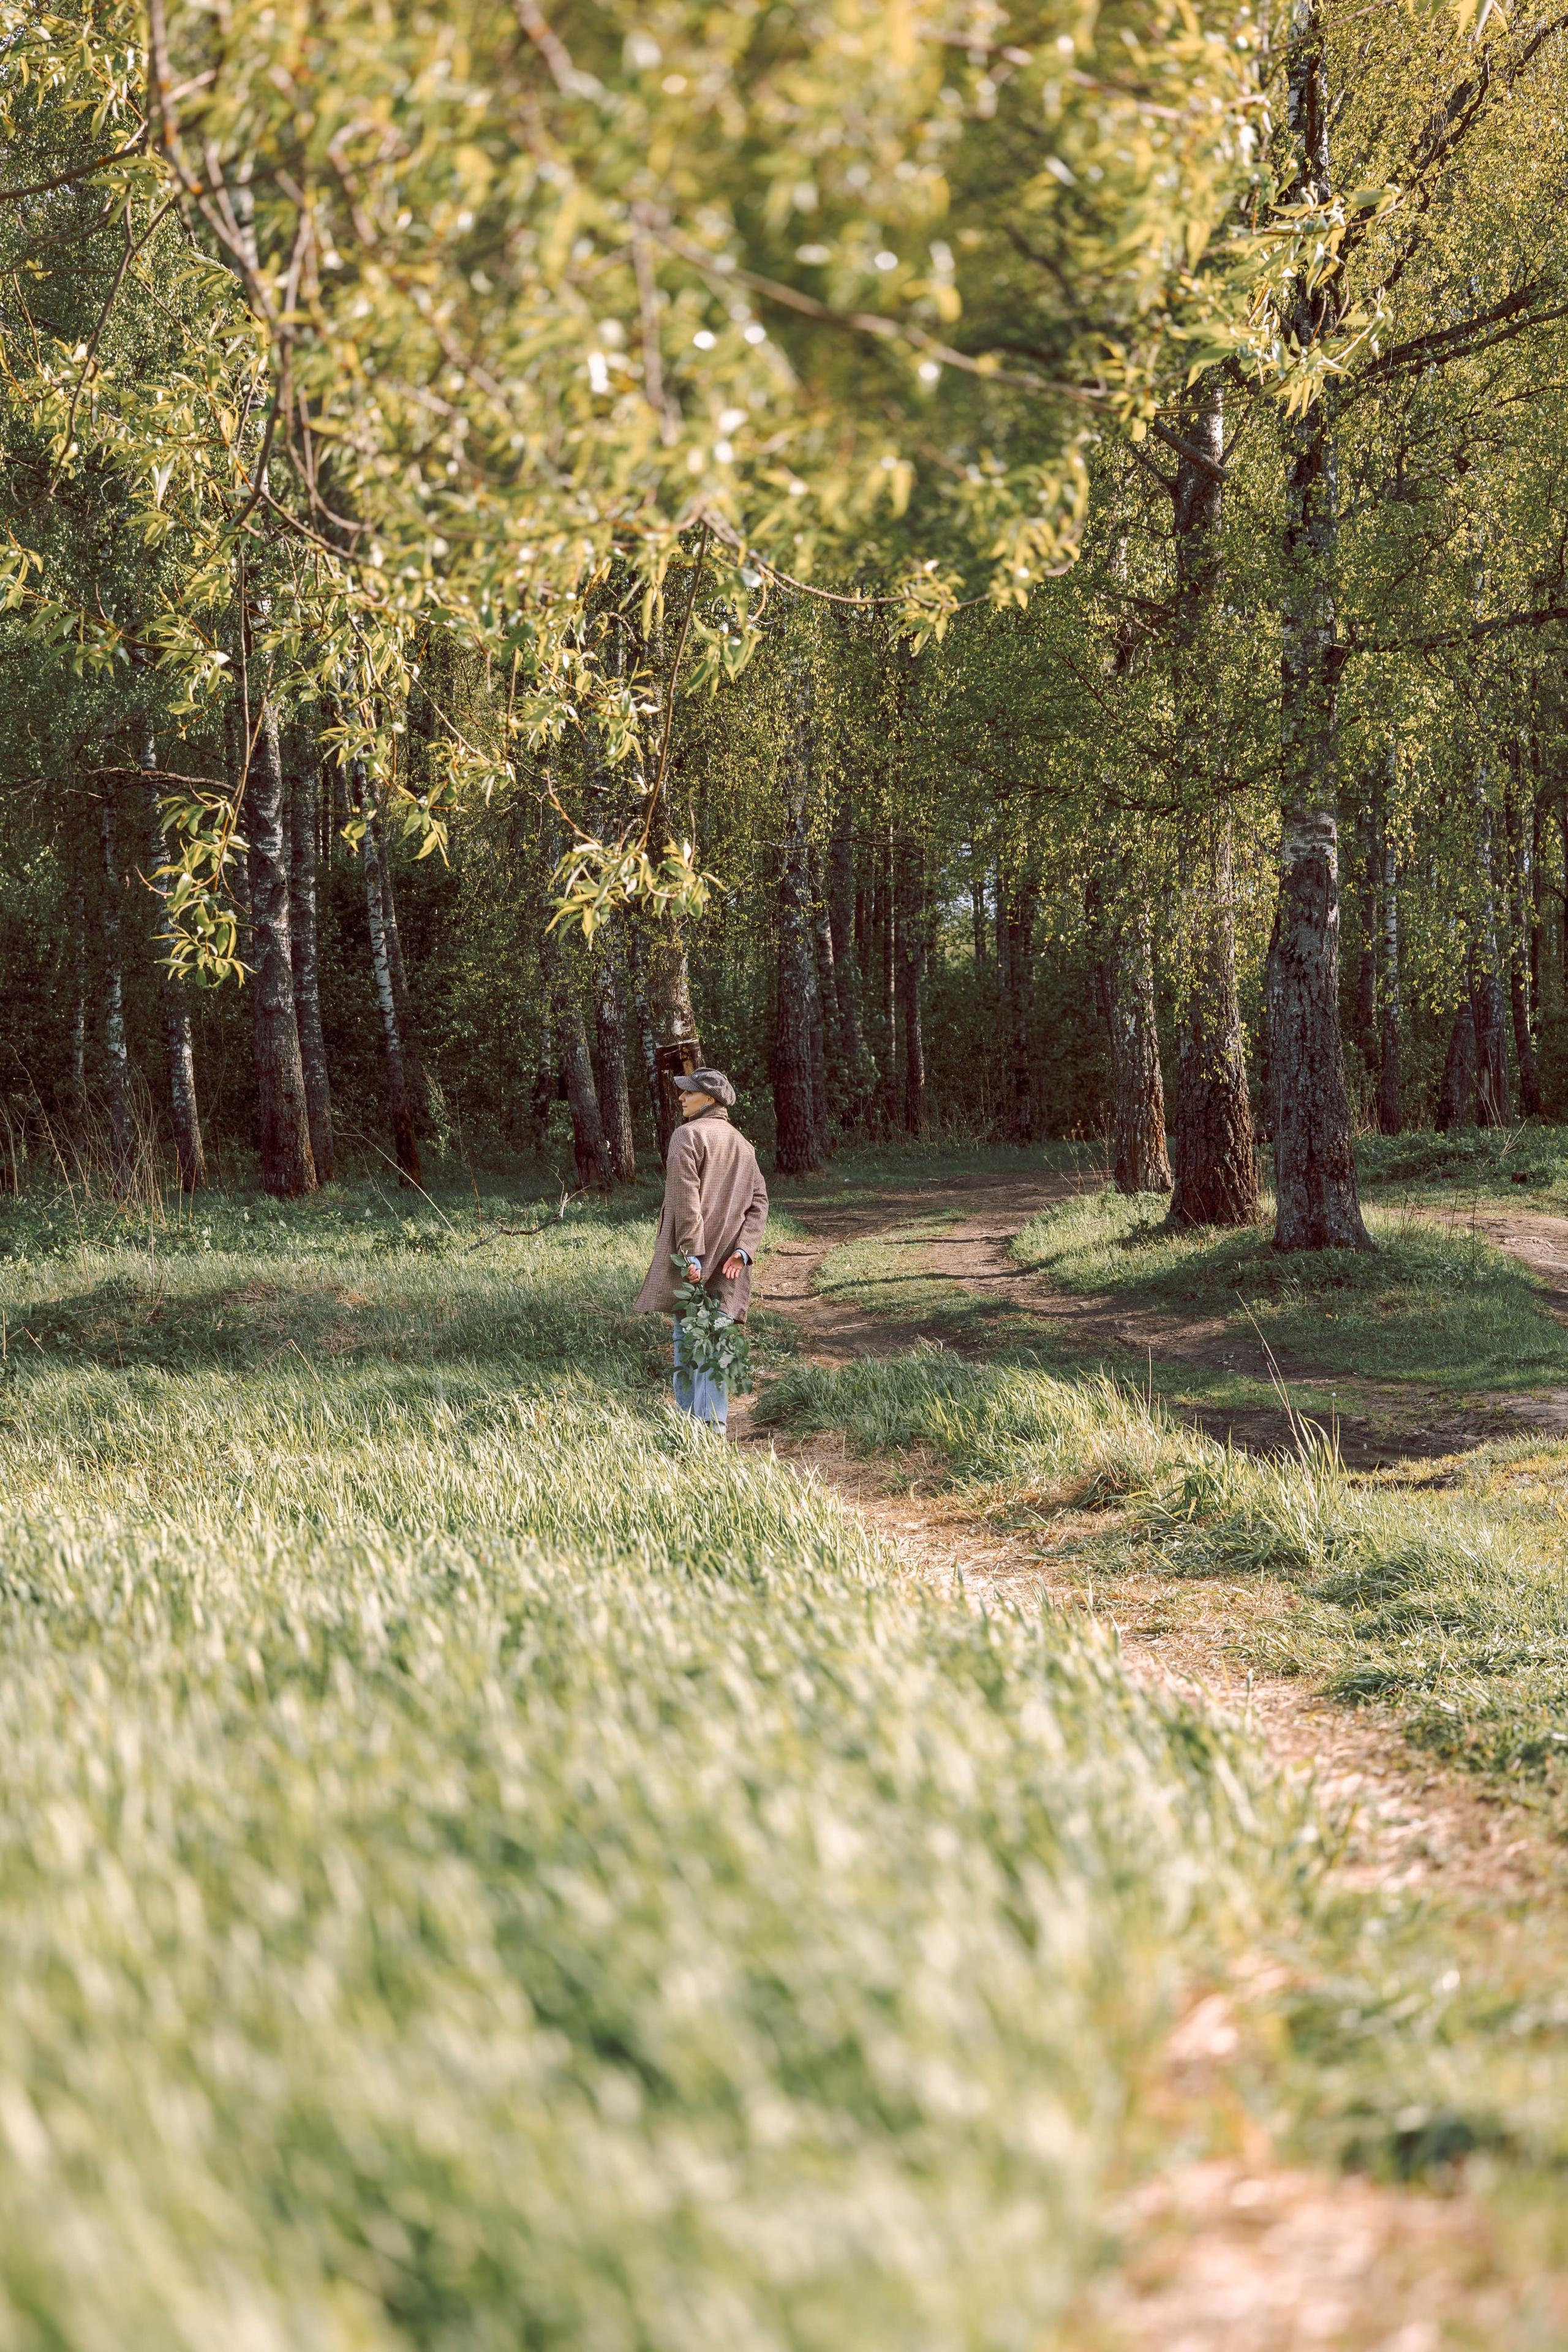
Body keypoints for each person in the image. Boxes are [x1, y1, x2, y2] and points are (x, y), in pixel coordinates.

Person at [633, 1067, 768, 1433]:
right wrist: (744, 1251)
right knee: (717, 1341)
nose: (681, 1098)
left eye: (688, 1092)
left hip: (693, 1260)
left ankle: (691, 1428)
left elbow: (685, 1200)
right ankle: (714, 1426)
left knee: (688, 1338)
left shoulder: (686, 1136)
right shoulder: (744, 1144)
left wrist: (691, 1253)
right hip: (730, 1265)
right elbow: (760, 1202)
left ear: (709, 1099)